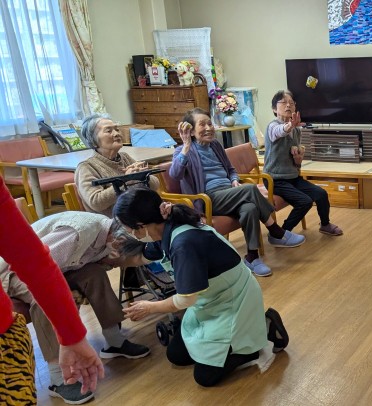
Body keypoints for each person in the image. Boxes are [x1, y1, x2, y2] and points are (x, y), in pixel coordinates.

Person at [112, 187, 290, 387]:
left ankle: (263, 329)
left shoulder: (184, 243)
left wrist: (149, 307)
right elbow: (141, 256)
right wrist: (106, 260)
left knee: (205, 377)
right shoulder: (167, 227)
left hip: (234, 302)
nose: (129, 233)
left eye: (128, 229)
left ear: (140, 225)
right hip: (211, 301)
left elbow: (185, 300)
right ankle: (245, 336)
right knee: (176, 355)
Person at [1, 211, 150, 404]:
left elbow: (118, 259)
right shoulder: (78, 233)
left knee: (95, 274)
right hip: (16, 271)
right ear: (117, 239)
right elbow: (37, 267)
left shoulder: (109, 235)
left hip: (60, 267)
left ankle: (114, 340)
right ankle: (57, 378)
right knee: (45, 296)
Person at [0, 176, 104, 404]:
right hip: (10, 279)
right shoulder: (83, 229)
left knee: (93, 275)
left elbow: (34, 261)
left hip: (5, 347)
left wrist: (72, 335)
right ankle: (57, 376)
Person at [170, 107, 305, 277]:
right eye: (202, 125)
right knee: (249, 189)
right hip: (208, 199)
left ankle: (252, 257)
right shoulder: (183, 151)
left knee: (249, 208)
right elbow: (175, 174)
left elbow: (230, 169)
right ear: (190, 131)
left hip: (229, 192)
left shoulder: (215, 145)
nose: (208, 128)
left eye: (210, 124)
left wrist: (234, 180)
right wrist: (186, 146)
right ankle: (275, 230)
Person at [264, 90, 343, 236]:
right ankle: (281, 233)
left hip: (292, 177)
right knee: (304, 201)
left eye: (291, 103)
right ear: (274, 109)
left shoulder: (297, 130)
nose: (288, 105)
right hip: (275, 179)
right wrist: (290, 126)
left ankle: (325, 224)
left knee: (321, 194)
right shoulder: (272, 126)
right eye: (284, 102)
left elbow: (296, 158)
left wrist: (298, 160)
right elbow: (280, 131)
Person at [75, 113, 161, 217]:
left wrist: (142, 176)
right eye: (109, 131)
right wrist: (126, 180)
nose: (116, 134)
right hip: (114, 222)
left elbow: (155, 185)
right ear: (93, 141)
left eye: (117, 129)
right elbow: (96, 202)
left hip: (140, 215)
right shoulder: (87, 167)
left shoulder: (125, 157)